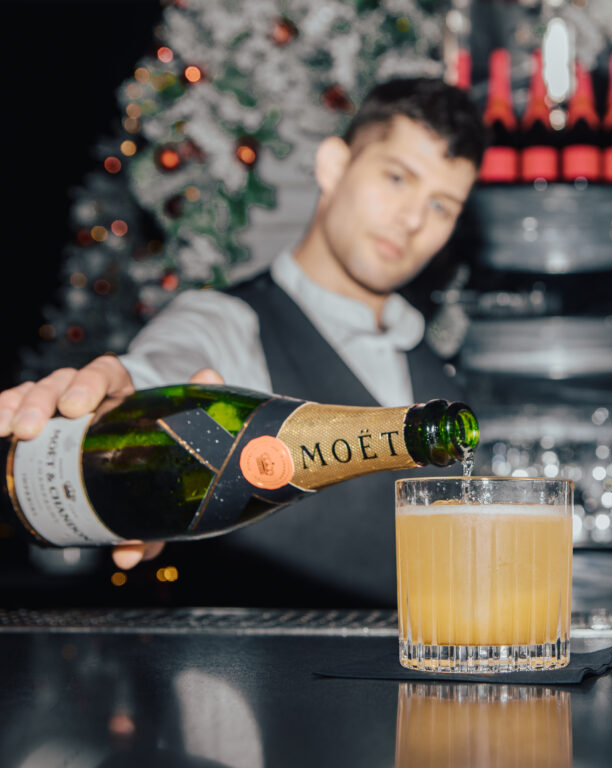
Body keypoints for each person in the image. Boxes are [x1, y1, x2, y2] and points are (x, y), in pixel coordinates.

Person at [0, 77, 484, 606]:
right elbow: (170, 366)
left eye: (442, 206)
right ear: (333, 166)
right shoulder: (228, 322)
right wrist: (125, 403)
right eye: (396, 177)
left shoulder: (433, 362)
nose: (412, 220)